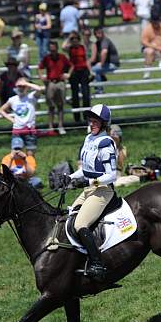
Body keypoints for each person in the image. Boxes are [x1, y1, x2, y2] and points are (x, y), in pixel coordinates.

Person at [64, 104, 117, 280]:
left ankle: (98, 264)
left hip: (103, 191)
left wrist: (89, 182)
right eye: (91, 120)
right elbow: (85, 170)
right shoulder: (88, 139)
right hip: (89, 189)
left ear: (103, 123)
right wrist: (70, 177)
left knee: (80, 225)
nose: (92, 123)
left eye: (96, 121)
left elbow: (111, 175)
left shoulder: (106, 143)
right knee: (68, 217)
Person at [0, 76, 44, 155]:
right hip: (17, 131)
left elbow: (39, 89)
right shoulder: (13, 99)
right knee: (16, 154)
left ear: (27, 87)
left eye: (23, 86)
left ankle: (28, 167)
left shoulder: (31, 97)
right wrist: (11, 119)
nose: (21, 88)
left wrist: (25, 83)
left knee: (30, 156)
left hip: (30, 131)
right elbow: (1, 110)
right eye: (19, 86)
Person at [38, 41, 73, 135]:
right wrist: (42, 77)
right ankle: (50, 126)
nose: (52, 50)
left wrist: (68, 74)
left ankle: (61, 126)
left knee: (60, 105)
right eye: (51, 49)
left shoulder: (62, 57)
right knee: (51, 106)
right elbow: (40, 67)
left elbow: (71, 66)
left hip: (60, 82)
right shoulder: (47, 58)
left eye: (54, 48)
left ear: (57, 48)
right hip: (50, 83)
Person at [62, 31, 92, 122]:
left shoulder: (82, 47)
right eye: (72, 39)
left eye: (76, 38)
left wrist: (90, 71)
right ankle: (77, 118)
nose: (74, 40)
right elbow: (63, 46)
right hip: (74, 73)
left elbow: (86, 60)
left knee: (86, 95)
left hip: (84, 72)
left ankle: (86, 116)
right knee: (75, 95)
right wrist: (68, 38)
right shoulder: (69, 48)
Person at [89, 26, 121, 94]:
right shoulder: (98, 42)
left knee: (94, 70)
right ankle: (100, 83)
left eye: (99, 33)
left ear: (103, 33)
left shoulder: (105, 40)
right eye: (96, 34)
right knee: (93, 70)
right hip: (107, 64)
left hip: (113, 64)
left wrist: (101, 64)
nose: (98, 35)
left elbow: (104, 52)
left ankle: (99, 90)